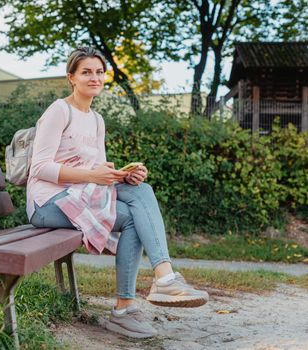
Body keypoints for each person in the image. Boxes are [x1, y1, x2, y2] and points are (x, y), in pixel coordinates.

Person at [26, 47, 209, 339]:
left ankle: (139, 296)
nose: (94, 77)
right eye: (86, 72)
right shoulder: (59, 111)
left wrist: (123, 175)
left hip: (81, 196)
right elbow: (40, 168)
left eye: (99, 72)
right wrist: (92, 175)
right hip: (48, 203)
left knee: (141, 190)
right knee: (134, 214)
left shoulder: (97, 120)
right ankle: (149, 291)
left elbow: (97, 170)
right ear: (71, 77)